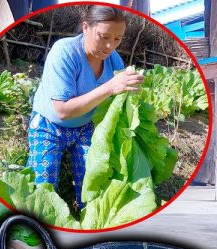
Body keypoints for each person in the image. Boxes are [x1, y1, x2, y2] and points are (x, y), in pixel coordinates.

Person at [27, 5, 143, 206]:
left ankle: (88, 228)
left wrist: (132, 91)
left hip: (85, 127)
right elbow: (62, 111)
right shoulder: (65, 52)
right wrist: (109, 88)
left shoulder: (113, 59)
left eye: (117, 39)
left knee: (94, 183)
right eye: (103, 36)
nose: (110, 46)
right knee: (42, 186)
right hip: (49, 126)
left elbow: (118, 97)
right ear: (86, 27)